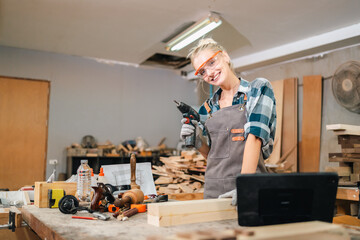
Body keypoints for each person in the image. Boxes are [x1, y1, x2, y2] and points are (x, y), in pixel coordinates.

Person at [180, 38, 276, 205]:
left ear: (225, 56)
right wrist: (197, 142)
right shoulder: (207, 109)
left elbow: (254, 138)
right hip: (213, 192)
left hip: (249, 187)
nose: (209, 73)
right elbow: (213, 156)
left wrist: (244, 185)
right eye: (202, 72)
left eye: (211, 62)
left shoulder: (258, 89)